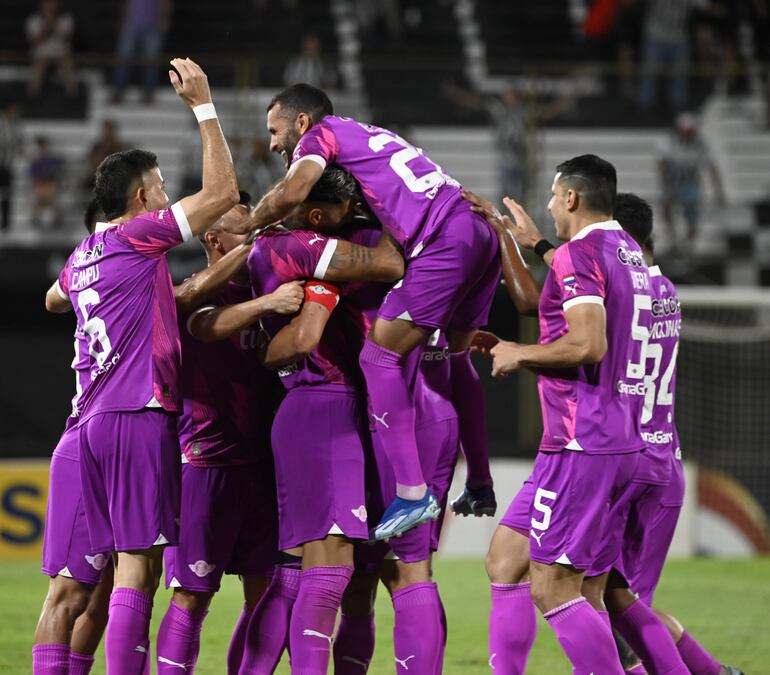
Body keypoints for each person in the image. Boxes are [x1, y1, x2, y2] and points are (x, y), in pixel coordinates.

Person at [42, 57, 238, 673]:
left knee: (67, 591)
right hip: (137, 413)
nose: (163, 192)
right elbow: (224, 195)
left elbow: (52, 296)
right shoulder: (138, 235)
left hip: (81, 430)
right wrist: (204, 108)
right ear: (142, 196)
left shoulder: (82, 256)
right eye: (157, 185)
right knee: (138, 566)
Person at [239, 82, 502, 541]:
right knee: (454, 355)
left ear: (301, 123)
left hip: (441, 239)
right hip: (478, 230)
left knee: (377, 358)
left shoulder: (321, 136)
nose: (274, 143)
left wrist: (250, 222)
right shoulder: (368, 135)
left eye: (275, 130)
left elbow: (294, 189)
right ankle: (479, 480)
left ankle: (412, 491)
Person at [472, 155, 651, 674]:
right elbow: (557, 298)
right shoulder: (627, 252)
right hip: (598, 438)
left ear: (570, 198)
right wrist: (527, 242)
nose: (549, 206)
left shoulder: (582, 254)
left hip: (585, 441)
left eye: (553, 197)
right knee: (505, 559)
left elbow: (588, 343)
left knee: (556, 587)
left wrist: (519, 353)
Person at [242, 169, 404, 674]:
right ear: (316, 215)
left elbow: (273, 347)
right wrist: (397, 208)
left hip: (304, 407)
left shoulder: (266, 244)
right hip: (325, 407)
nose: (349, 219)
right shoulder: (308, 248)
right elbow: (392, 262)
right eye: (343, 211)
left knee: (295, 571)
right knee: (331, 569)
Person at [156, 194, 304, 674]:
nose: (259, 236)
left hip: (264, 468)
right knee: (192, 597)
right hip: (206, 462)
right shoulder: (195, 293)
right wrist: (267, 301)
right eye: (248, 229)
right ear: (215, 240)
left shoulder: (273, 292)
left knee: (267, 593)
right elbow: (203, 326)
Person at [34, 201, 114, 675]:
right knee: (69, 592)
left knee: (107, 593)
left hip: (129, 436)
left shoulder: (104, 273)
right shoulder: (105, 259)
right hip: (89, 436)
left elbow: (51, 299)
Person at [658, 112, 726, 252]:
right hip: (673, 181)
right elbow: (662, 163)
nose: (688, 136)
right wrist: (665, 183)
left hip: (690, 183)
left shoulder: (700, 145)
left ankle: (689, 242)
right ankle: (672, 237)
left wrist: (718, 190)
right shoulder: (669, 142)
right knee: (666, 208)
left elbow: (711, 167)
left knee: (692, 213)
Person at [113, 0, 173, 104]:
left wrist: (163, 20)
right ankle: (119, 91)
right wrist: (125, 22)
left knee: (151, 61)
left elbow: (166, 3)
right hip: (132, 25)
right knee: (123, 58)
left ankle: (148, 93)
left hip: (152, 26)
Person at [25, 0, 78, 98]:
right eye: (47, 4)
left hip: (61, 52)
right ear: (41, 6)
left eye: (52, 3)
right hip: (41, 53)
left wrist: (53, 23)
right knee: (40, 64)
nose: (50, 6)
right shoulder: (33, 19)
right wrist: (46, 26)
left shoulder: (66, 18)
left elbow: (65, 39)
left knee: (67, 63)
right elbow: (35, 41)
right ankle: (33, 94)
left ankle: (72, 94)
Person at [29, 136, 64, 231]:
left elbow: (56, 173)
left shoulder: (53, 160)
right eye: (41, 148)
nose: (42, 150)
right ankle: (36, 216)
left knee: (51, 189)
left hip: (49, 186)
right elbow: (34, 176)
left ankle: (57, 216)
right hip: (41, 186)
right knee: (39, 189)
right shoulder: (35, 162)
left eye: (44, 147)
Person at [0, 102, 22, 233]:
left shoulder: (13, 124)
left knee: (7, 193)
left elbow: (16, 142)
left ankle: (5, 223)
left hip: (7, 164)